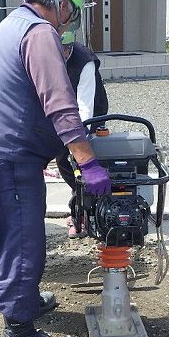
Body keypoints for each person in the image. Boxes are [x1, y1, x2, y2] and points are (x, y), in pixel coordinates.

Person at [0, 0, 111, 337]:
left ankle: (21, 301)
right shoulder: (39, 32)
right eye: (71, 14)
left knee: (5, 239)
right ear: (61, 5)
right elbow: (60, 105)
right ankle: (19, 332)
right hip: (10, 160)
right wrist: (89, 164)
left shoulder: (12, 23)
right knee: (23, 245)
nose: (68, 24)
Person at [55, 31, 109, 238]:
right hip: (61, 112)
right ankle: (79, 206)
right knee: (63, 160)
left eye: (66, 49)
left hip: (90, 110)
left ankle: (88, 212)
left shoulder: (84, 61)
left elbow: (85, 105)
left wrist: (79, 140)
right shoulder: (44, 56)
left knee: (86, 162)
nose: (63, 53)